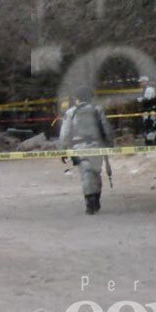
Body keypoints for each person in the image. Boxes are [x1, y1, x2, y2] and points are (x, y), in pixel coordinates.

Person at [58, 86, 114, 215]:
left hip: (79, 148)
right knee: (96, 173)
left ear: (77, 98)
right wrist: (110, 143)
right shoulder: (97, 110)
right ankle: (96, 198)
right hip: (96, 147)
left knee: (86, 175)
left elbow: (65, 133)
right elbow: (106, 128)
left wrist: (63, 150)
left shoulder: (71, 112)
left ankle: (90, 202)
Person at [137, 76, 156, 146]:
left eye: (141, 82)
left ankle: (152, 141)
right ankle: (151, 140)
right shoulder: (146, 90)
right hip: (151, 111)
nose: (140, 84)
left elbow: (147, 99)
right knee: (149, 125)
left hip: (152, 111)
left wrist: (140, 100)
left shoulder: (149, 89)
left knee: (150, 124)